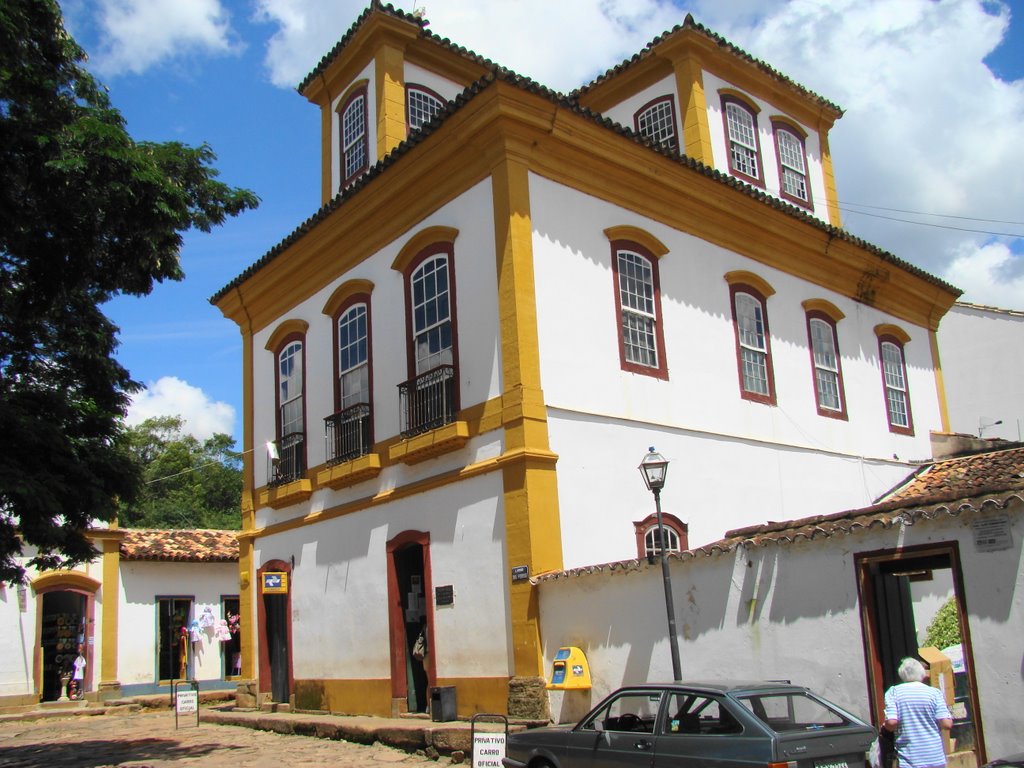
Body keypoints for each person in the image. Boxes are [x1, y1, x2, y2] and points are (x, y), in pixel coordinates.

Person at [883, 657, 953, 768]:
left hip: (910, 759)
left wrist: (884, 727)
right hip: (935, 757)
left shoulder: (893, 692)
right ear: (922, 673)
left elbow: (891, 723)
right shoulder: (934, 693)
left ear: (901, 674)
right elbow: (946, 724)